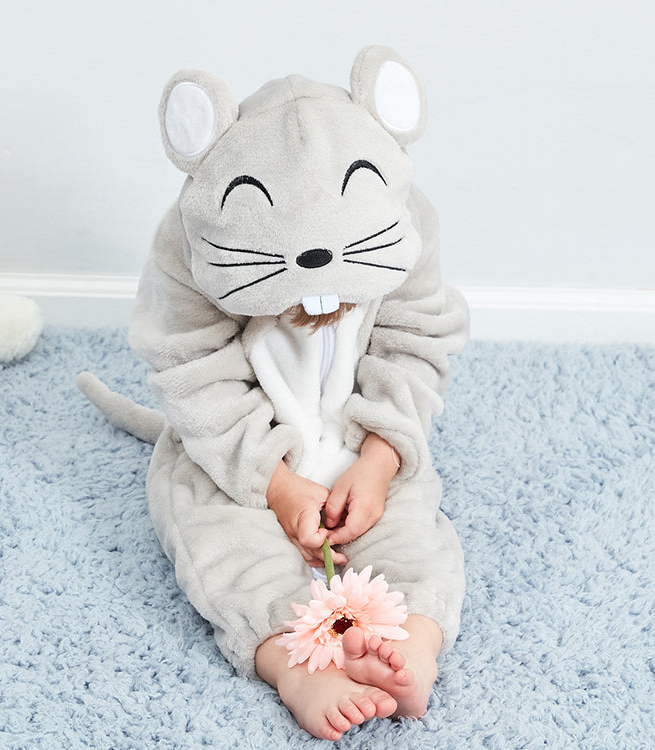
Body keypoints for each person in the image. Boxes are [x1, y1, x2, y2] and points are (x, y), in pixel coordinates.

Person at [123, 47, 468, 741]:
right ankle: (292, 661)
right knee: (222, 542)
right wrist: (275, 485)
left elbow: (416, 340)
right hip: (234, 453)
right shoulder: (191, 242)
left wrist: (379, 461)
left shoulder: (401, 224)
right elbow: (192, 369)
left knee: (413, 532)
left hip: (364, 442)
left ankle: (416, 639)